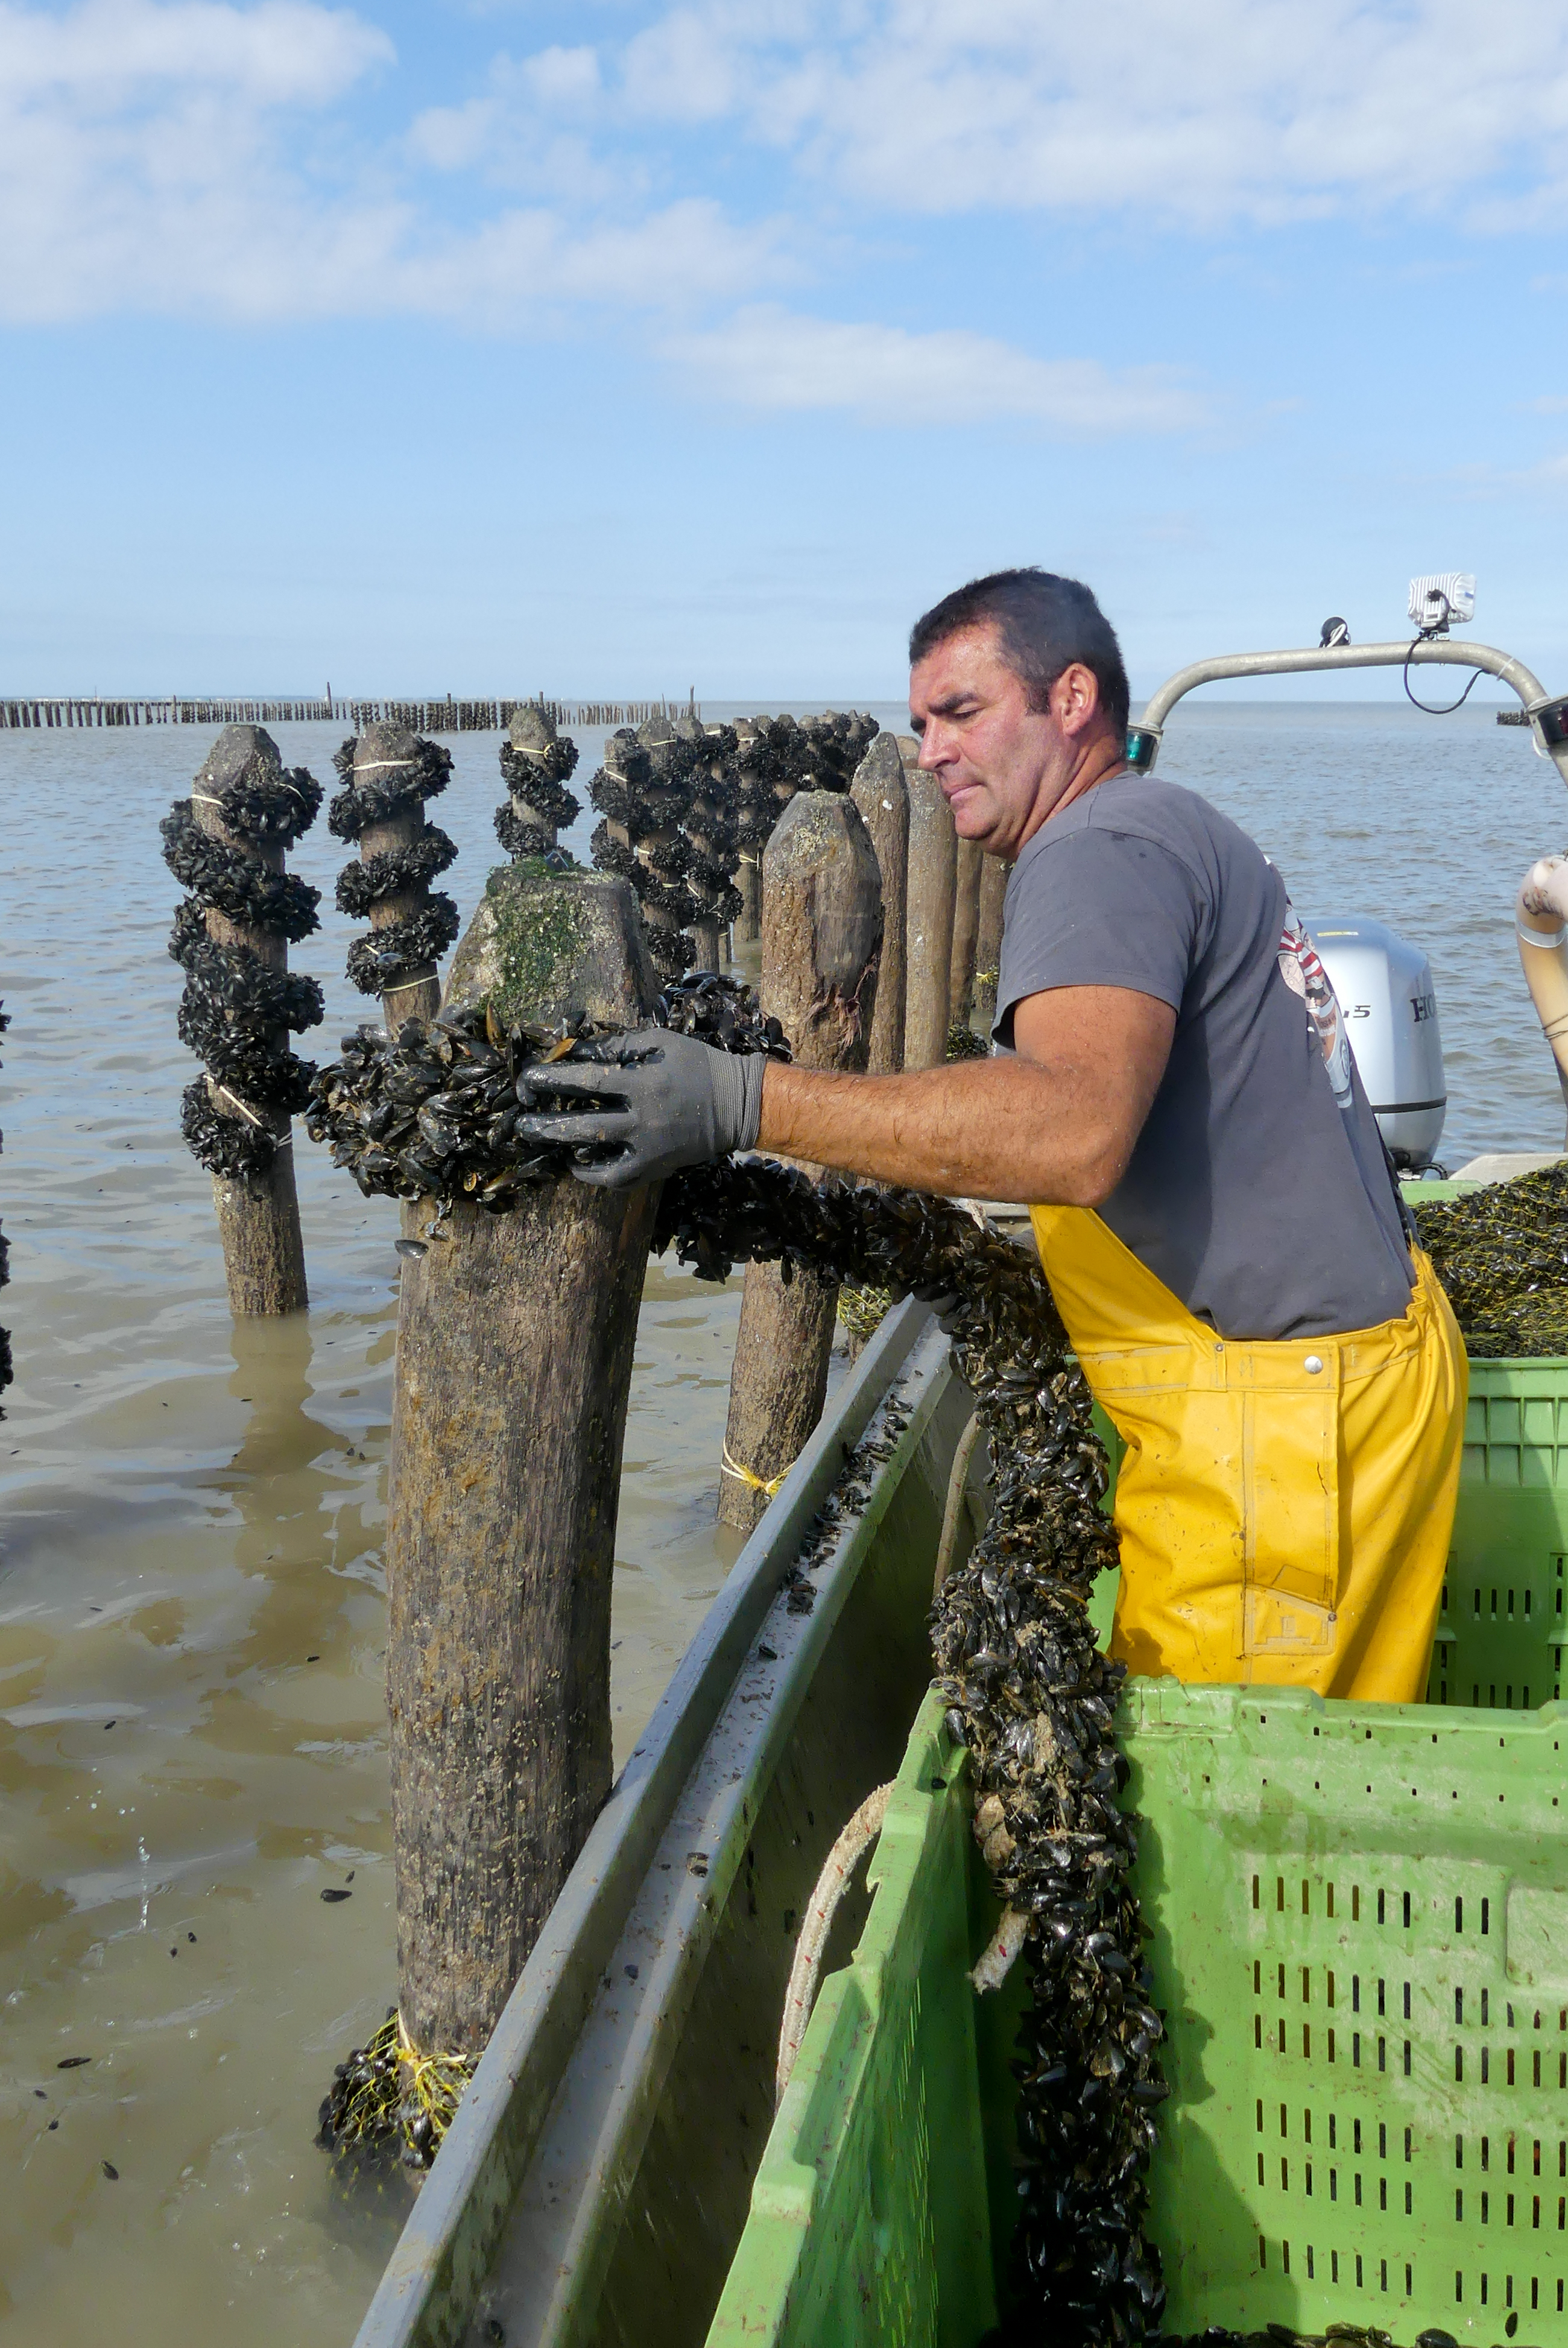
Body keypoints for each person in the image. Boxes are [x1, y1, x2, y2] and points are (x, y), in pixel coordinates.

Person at [516, 568, 1465, 1702]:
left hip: (1287, 1430)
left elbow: (1073, 1128)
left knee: (1254, 1832)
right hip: (1359, 1374)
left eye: (961, 712)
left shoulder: (1094, 850)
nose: (928, 752)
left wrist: (736, 1102)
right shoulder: (1168, 823)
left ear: (1071, 700)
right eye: (919, 723)